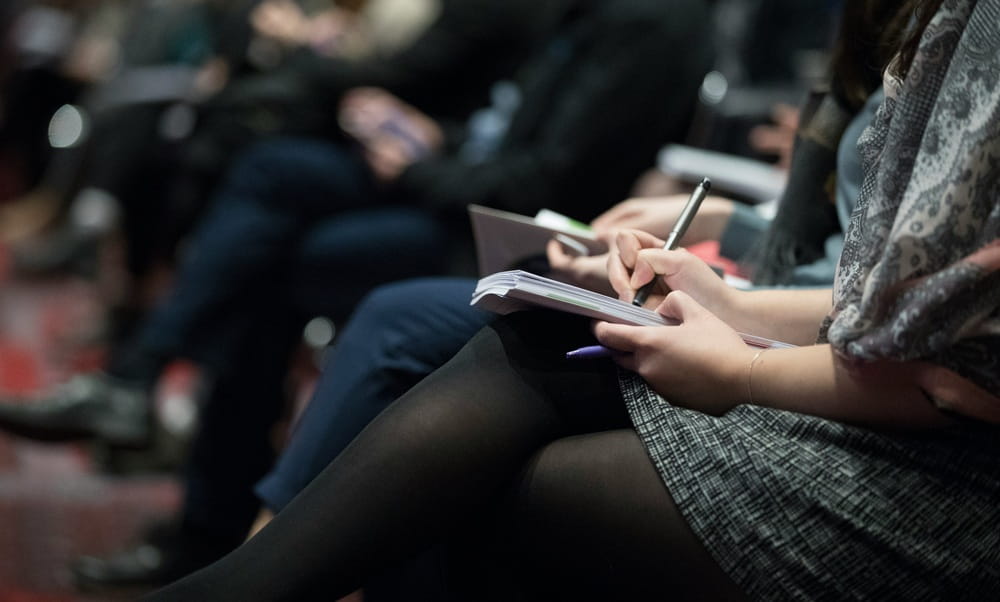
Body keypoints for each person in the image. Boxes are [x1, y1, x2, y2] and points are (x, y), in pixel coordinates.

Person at [141, 0, 1000, 599]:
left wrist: (739, 356)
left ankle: (227, 556)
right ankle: (223, 556)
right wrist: (725, 298)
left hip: (939, 484)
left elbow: (952, 371)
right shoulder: (929, 26)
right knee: (505, 332)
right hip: (830, 354)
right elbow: (882, 304)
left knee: (469, 435)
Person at [0, 0, 715, 590]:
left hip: (523, 239)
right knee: (267, 175)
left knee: (289, 258)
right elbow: (498, 128)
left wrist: (417, 159)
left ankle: (230, 537)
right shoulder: (578, 15)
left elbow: (538, 185)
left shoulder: (645, 23)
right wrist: (429, 140)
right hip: (458, 189)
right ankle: (210, 507)